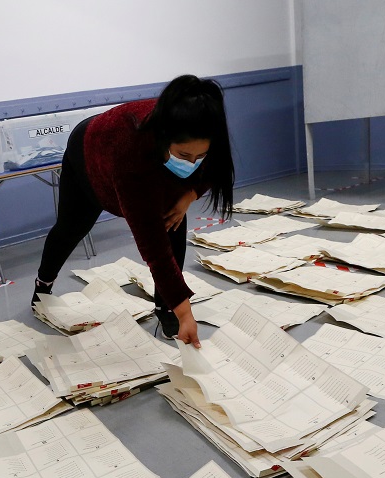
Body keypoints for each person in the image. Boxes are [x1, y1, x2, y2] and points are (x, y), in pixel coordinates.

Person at [31, 74, 234, 348]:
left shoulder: (203, 134)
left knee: (173, 218)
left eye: (200, 156)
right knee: (72, 228)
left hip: (142, 159)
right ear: (164, 140)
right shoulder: (132, 159)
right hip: (89, 153)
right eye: (184, 156)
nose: (192, 164)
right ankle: (43, 284)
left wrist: (189, 194)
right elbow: (153, 247)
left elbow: (215, 169)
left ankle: (166, 308)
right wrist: (187, 313)